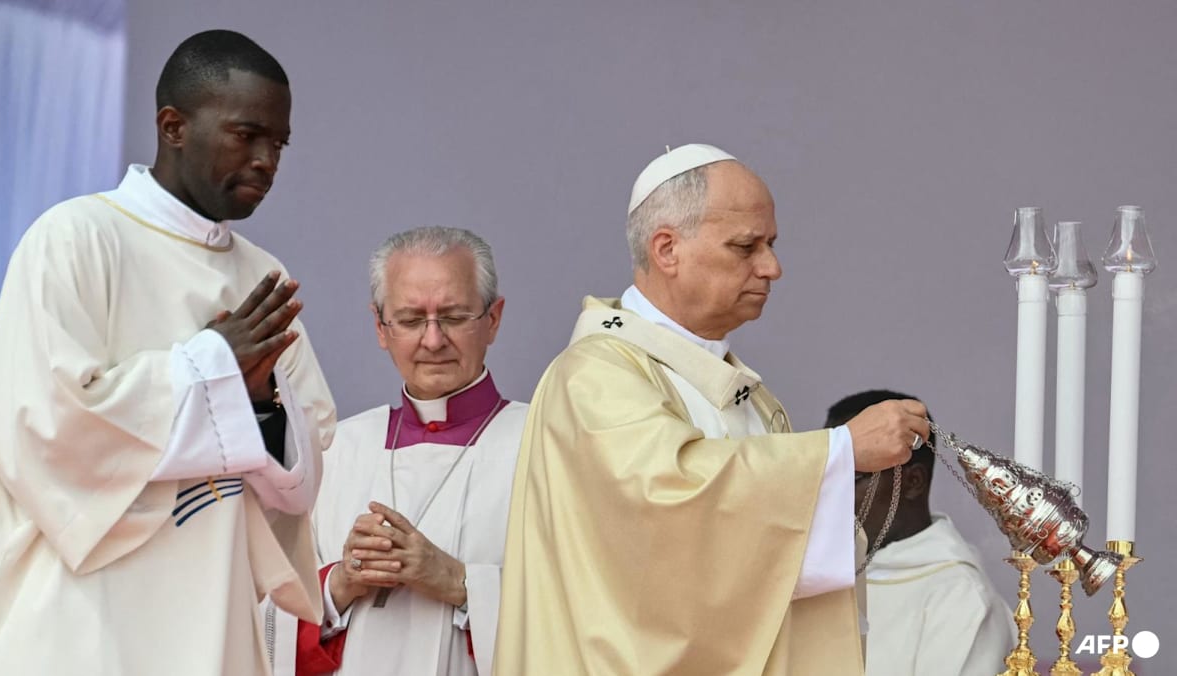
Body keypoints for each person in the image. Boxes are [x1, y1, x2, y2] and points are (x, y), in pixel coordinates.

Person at [494, 143, 930, 675]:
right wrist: (839, 450)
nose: (773, 267)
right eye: (746, 247)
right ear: (667, 249)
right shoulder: (595, 376)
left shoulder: (745, 394)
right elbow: (664, 508)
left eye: (770, 244)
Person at [0, 30, 336, 676]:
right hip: (83, 629)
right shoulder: (74, 240)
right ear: (173, 126)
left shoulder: (263, 276)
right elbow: (43, 429)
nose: (266, 161)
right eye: (246, 135)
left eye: (278, 143)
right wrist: (210, 369)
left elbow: (303, 478)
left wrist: (261, 406)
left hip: (214, 623)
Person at [280, 227, 526, 676]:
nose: (432, 341)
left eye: (453, 317)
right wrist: (341, 582)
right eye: (411, 320)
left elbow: (588, 612)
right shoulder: (337, 450)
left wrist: (460, 582)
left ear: (493, 319)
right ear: (380, 328)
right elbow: (268, 627)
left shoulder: (543, 445)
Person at [825, 389, 1015, 676]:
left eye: (852, 477)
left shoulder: (960, 599)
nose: (830, 495)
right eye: (826, 475)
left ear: (913, 482)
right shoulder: (817, 575)